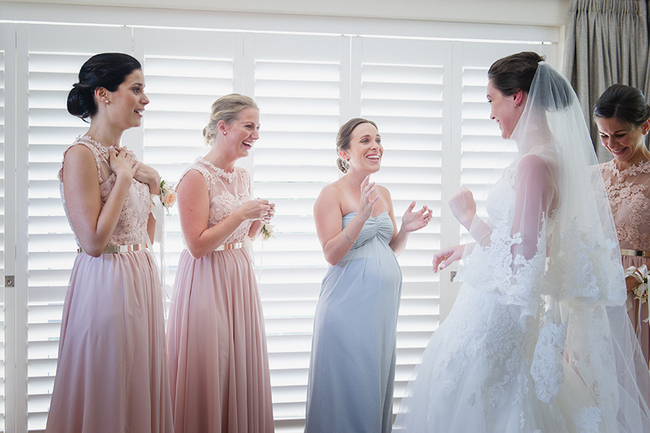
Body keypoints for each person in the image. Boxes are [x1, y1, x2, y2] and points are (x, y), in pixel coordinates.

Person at [394, 52, 650, 432]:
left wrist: (469, 220)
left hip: (497, 317)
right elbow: (539, 243)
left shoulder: (535, 163)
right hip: (503, 314)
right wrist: (466, 249)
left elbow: (523, 265)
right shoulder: (555, 159)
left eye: (490, 100)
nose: (490, 112)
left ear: (516, 97)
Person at [46, 53, 173, 433]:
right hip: (105, 284)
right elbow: (94, 242)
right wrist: (121, 179)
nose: (145, 100)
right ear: (103, 94)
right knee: (109, 380)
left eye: (144, 90)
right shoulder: (80, 156)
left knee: (138, 381)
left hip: (140, 280)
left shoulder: (127, 159)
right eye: (136, 89)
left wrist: (152, 186)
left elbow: (143, 239)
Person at [305, 118, 432, 433]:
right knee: (349, 389)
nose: (375, 146)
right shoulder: (330, 194)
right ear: (344, 152)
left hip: (380, 311)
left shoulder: (383, 193)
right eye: (365, 141)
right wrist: (361, 216)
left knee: (372, 386)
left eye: (377, 139)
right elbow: (333, 254)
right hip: (346, 307)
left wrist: (405, 229)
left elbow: (388, 249)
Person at [167, 94, 275, 433]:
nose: (255, 134)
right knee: (212, 362)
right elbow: (197, 245)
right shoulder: (195, 177)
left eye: (257, 127)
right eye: (248, 126)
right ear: (223, 127)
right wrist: (243, 212)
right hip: (207, 280)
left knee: (238, 363)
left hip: (238, 276)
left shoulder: (242, 176)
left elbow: (244, 235)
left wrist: (258, 219)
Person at [594, 84, 650, 365]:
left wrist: (639, 278)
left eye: (619, 135)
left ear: (646, 126)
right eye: (603, 135)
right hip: (595, 292)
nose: (611, 145)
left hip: (641, 296)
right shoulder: (593, 176)